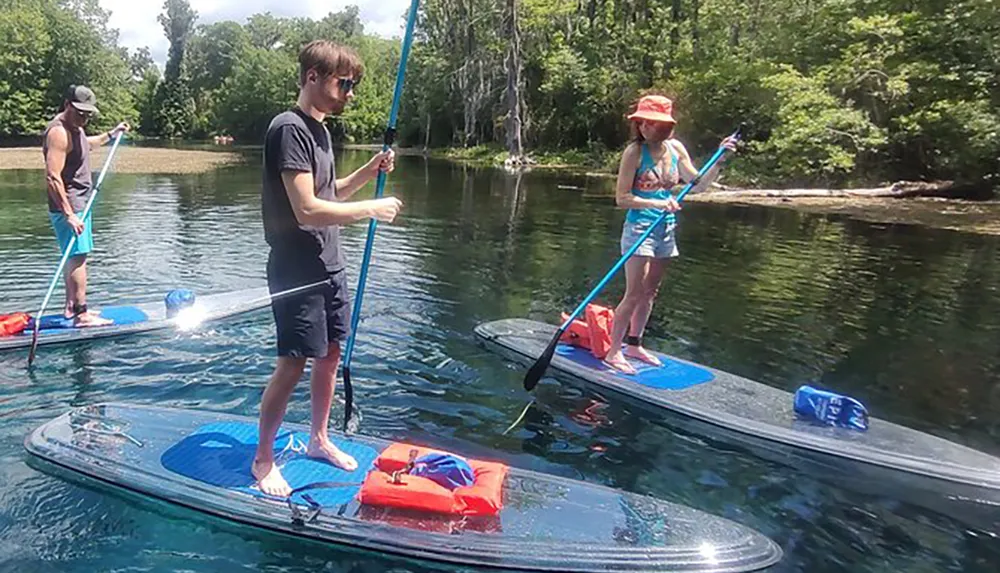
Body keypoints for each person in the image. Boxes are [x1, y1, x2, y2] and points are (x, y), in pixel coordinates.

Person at [253, 40, 404, 497]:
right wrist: (372, 208)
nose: (351, 93)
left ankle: (319, 440)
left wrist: (368, 173)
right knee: (293, 364)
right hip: (296, 268)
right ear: (313, 77)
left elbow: (327, 190)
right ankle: (263, 459)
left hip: (329, 264)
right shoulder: (289, 129)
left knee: (331, 356)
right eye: (346, 83)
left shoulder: (320, 131)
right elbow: (306, 210)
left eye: (354, 84)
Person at [604, 94, 737, 374]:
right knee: (634, 291)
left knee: (651, 291)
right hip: (640, 227)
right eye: (643, 123)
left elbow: (698, 184)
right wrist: (658, 203)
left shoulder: (676, 149)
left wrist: (720, 159)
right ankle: (613, 352)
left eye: (654, 123)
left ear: (667, 125)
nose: (646, 128)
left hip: (665, 228)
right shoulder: (634, 153)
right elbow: (622, 198)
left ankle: (634, 344)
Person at [42, 85, 130, 327]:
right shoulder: (58, 132)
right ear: (67, 104)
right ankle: (82, 314)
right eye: (80, 112)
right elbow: (52, 176)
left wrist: (112, 134)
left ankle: (71, 307)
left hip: (79, 202)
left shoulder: (75, 129)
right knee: (79, 257)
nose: (84, 118)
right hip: (71, 205)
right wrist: (69, 214)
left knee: (73, 256)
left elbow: (85, 144)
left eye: (88, 114)